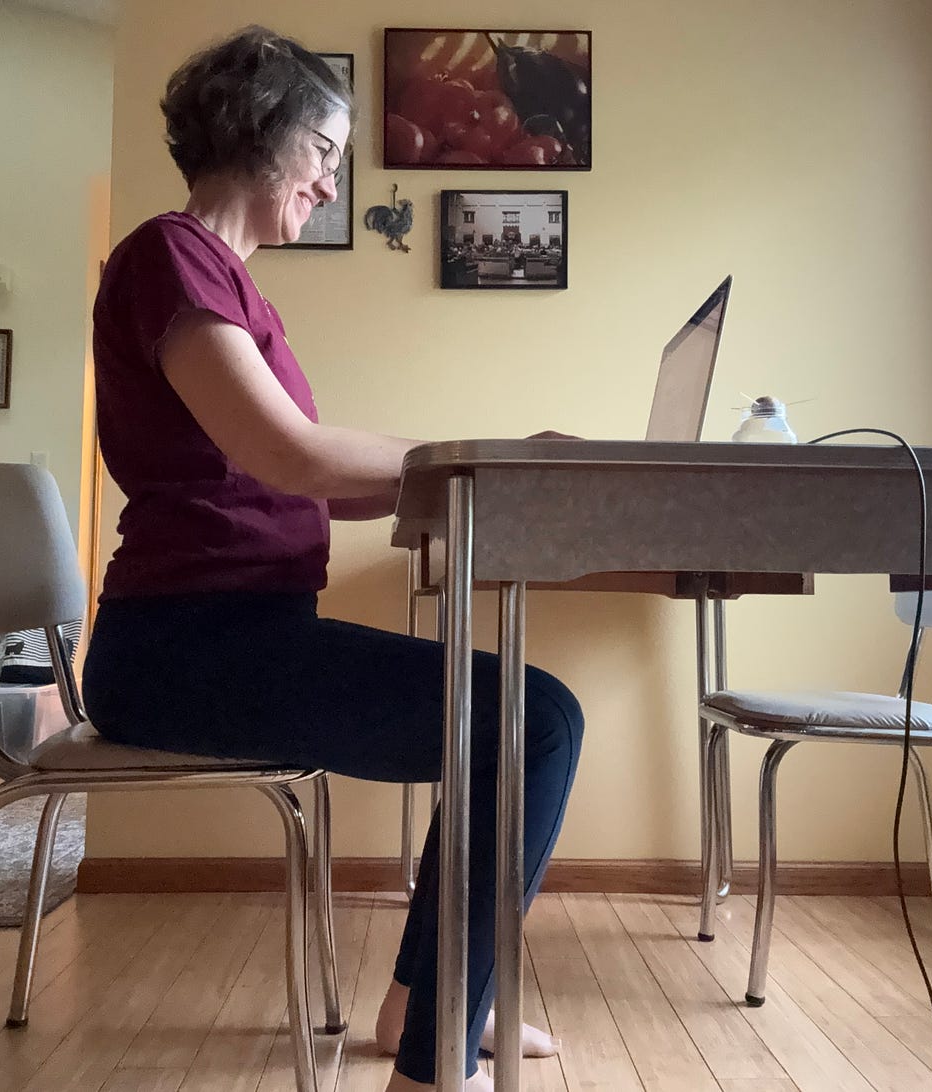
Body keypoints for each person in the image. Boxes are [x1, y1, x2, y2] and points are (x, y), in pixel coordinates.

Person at [83, 26, 584, 1091]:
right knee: (532, 722)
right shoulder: (169, 257)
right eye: (325, 148)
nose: (331, 177)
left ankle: (422, 1005)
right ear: (263, 133)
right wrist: (478, 455)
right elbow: (289, 454)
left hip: (228, 635)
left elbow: (309, 478)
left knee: (510, 720)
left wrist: (470, 472)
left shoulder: (223, 284)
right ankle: (434, 1049)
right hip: (186, 651)